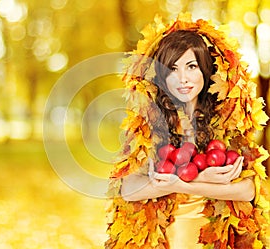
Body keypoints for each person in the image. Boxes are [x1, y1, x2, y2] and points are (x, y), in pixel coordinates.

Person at [105, 13, 269, 249]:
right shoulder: (150, 125)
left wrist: (177, 183)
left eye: (191, 66)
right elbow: (129, 190)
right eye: (173, 68)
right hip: (165, 239)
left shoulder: (226, 122)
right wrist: (201, 179)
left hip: (211, 238)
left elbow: (247, 190)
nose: (182, 78)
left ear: (204, 69)